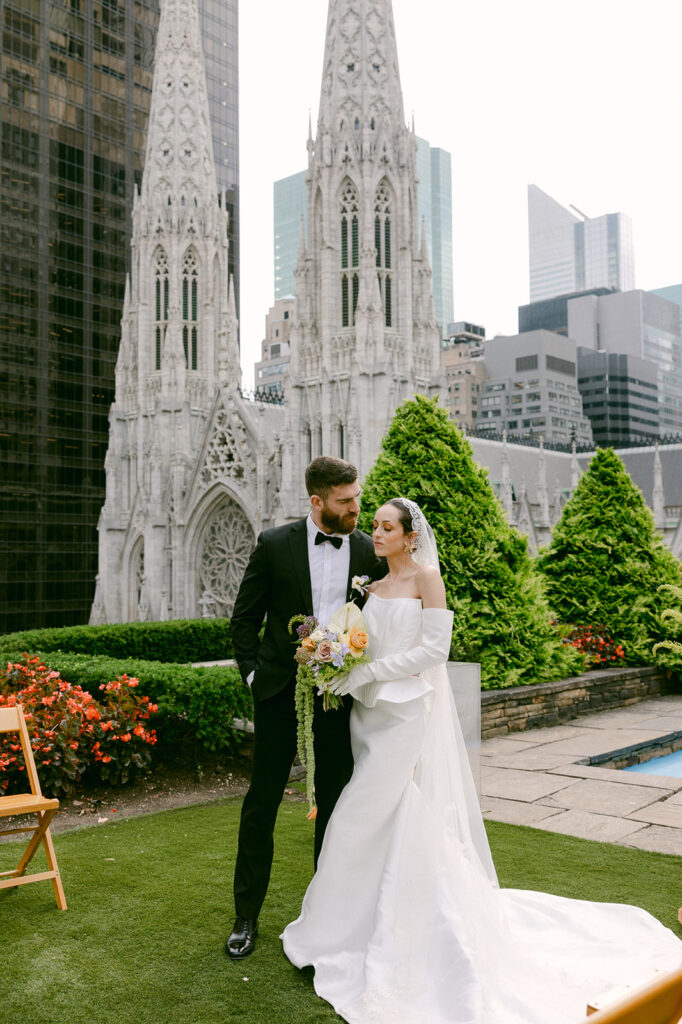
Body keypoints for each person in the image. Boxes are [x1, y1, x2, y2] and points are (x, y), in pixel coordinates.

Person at [281, 497, 682, 1024]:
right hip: (367, 720)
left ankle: (373, 928)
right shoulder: (369, 588)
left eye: (385, 527)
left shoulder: (427, 580)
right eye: (373, 525)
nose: (374, 533)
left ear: (408, 535)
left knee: (359, 812)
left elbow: (434, 653)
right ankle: (370, 919)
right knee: (386, 818)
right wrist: (335, 662)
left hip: (404, 715)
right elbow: (359, 644)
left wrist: (368, 674)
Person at [225, 456, 386, 960]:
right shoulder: (274, 545)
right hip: (278, 698)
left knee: (335, 809)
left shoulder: (368, 552)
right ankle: (245, 916)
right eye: (346, 501)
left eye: (357, 497)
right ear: (317, 502)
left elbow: (380, 625)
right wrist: (256, 678)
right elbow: (243, 620)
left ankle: (326, 919)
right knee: (262, 806)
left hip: (339, 700)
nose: (356, 507)